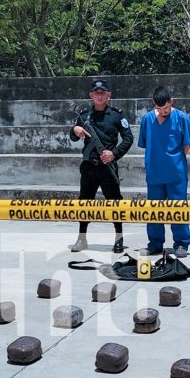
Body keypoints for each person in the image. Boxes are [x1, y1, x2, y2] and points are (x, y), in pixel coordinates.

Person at [69, 78, 133, 253]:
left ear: (108, 95)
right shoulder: (83, 116)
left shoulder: (116, 115)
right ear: (91, 95)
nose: (99, 96)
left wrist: (114, 154)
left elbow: (128, 138)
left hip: (107, 167)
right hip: (89, 167)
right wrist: (74, 130)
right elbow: (74, 137)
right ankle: (82, 239)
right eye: (96, 93)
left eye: (102, 93)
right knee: (84, 203)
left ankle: (119, 239)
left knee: (115, 203)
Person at [137, 86, 190, 258]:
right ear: (154, 104)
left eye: (166, 108)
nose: (163, 112)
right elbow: (146, 143)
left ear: (172, 101)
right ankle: (155, 243)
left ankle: (182, 243)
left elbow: (186, 145)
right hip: (154, 173)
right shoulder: (147, 119)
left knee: (178, 209)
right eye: (159, 109)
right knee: (153, 210)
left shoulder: (182, 118)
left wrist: (173, 160)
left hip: (176, 173)